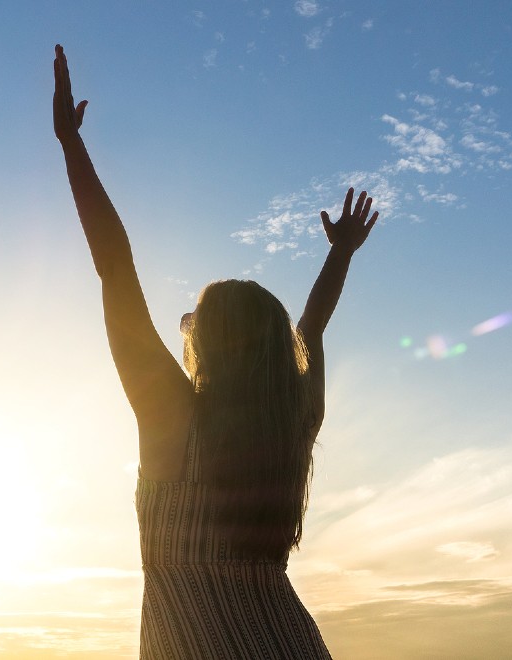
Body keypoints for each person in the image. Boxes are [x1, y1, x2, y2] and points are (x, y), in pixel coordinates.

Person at [52, 45, 377, 659]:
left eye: (196, 321)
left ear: (210, 343)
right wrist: (341, 253)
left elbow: (115, 269)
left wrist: (71, 145)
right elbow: (315, 326)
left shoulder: (172, 417)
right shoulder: (293, 423)